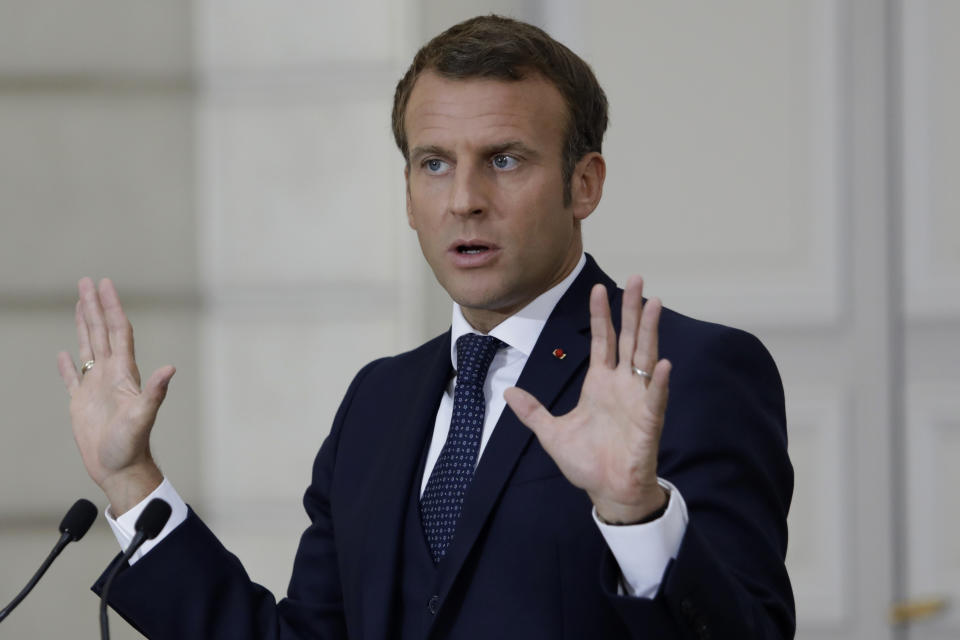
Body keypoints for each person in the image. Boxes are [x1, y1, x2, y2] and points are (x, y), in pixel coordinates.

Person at [57, 15, 794, 640]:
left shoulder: (690, 373)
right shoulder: (378, 402)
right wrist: (131, 481)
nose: (465, 200)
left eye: (505, 160)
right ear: (409, 196)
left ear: (584, 183)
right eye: (434, 163)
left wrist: (635, 514)